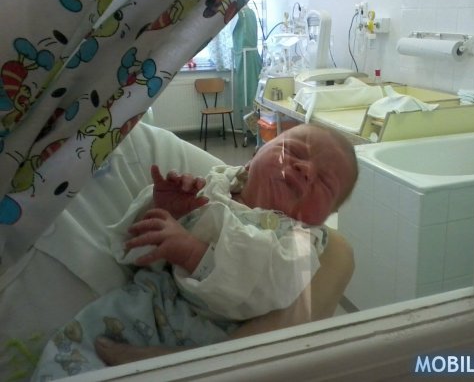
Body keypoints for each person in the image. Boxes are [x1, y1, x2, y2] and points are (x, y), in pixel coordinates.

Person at [32, 124, 358, 380]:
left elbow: (265, 286)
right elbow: (133, 249)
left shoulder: (300, 239)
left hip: (207, 336)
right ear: (254, 156)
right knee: (71, 354)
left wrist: (193, 252)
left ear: (325, 216)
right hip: (139, 311)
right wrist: (164, 211)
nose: (305, 169)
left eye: (325, 183)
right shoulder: (214, 185)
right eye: (294, 151)